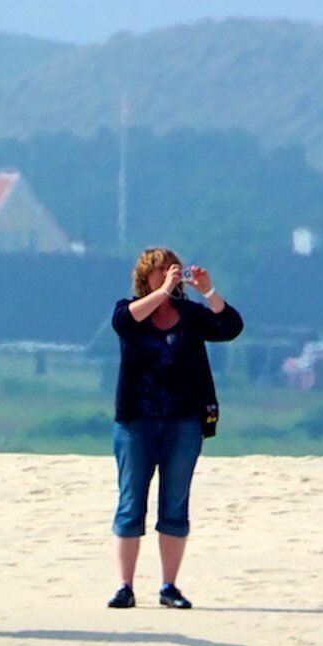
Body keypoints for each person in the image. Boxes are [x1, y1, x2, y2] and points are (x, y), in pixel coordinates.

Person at [104, 246, 241, 610]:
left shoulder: (191, 315)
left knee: (175, 504)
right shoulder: (128, 311)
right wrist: (163, 292)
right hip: (136, 422)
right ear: (145, 276)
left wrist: (209, 291)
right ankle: (125, 586)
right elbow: (125, 322)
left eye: (172, 270)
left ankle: (169, 586)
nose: (168, 275)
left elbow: (230, 327)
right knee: (131, 503)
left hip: (183, 421)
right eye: (160, 270)